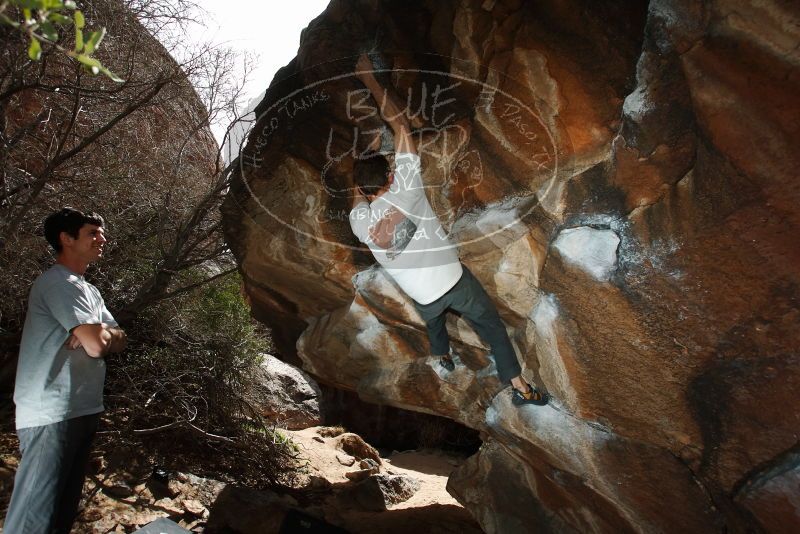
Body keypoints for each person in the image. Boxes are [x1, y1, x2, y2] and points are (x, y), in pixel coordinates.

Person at [349, 54, 547, 407]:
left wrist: (362, 170)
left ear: (362, 192)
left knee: (434, 321)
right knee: (493, 329)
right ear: (390, 176)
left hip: (423, 297)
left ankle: (441, 356)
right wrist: (370, 79)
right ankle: (520, 387)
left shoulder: (359, 222)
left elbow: (356, 196)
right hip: (455, 282)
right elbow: (401, 128)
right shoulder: (406, 188)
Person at [4, 208, 127, 533]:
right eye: (93, 233)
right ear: (66, 239)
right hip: (52, 414)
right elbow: (99, 346)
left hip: (82, 410)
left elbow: (119, 338)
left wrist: (99, 333)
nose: (102, 239)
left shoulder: (89, 290)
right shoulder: (58, 283)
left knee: (59, 517)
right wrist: (100, 335)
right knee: (33, 518)